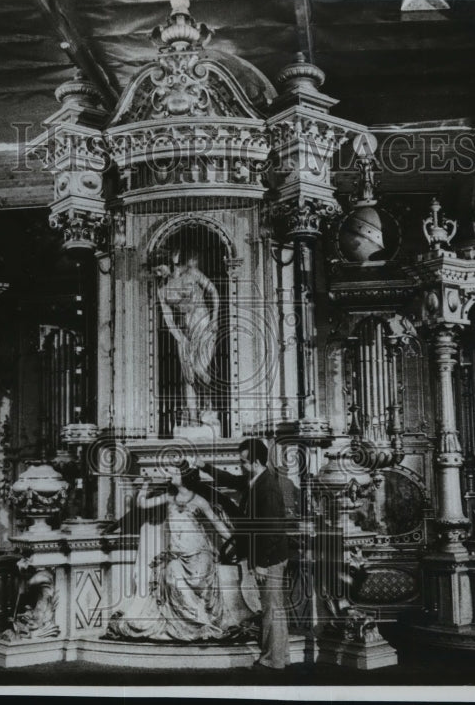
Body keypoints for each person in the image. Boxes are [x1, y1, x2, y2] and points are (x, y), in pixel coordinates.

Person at [104, 461, 255, 642]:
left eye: (173, 472)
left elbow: (217, 523)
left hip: (199, 555)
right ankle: (186, 627)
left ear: (184, 477)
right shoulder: (169, 497)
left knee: (199, 585)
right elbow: (143, 504)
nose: (168, 474)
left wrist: (232, 540)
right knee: (171, 579)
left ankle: (200, 623)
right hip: (177, 556)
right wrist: (144, 484)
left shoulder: (199, 501)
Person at [200, 438, 290, 669]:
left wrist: (261, 564)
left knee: (272, 608)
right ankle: (279, 656)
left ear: (257, 462)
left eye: (244, 462)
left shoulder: (267, 487)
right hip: (266, 557)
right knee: (272, 607)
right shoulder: (255, 480)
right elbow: (229, 479)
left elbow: (271, 530)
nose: (241, 466)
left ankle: (273, 661)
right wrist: (203, 466)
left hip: (270, 559)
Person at [151, 249, 220, 425]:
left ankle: (211, 406)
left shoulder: (192, 273)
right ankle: (193, 419)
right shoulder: (162, 289)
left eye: (160, 269)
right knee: (188, 377)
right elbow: (168, 318)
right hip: (183, 332)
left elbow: (213, 292)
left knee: (199, 368)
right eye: (155, 272)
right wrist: (180, 337)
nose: (158, 274)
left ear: (168, 262)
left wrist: (215, 318)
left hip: (203, 324)